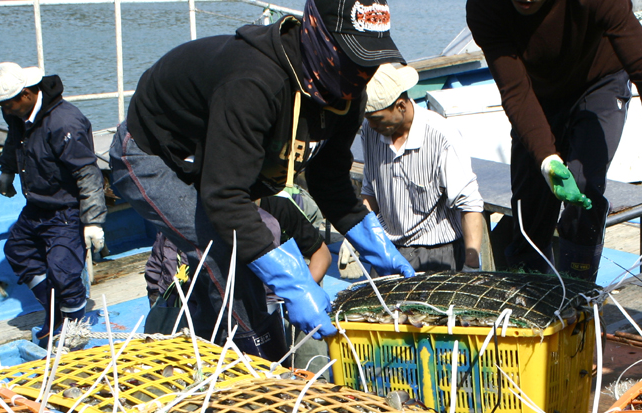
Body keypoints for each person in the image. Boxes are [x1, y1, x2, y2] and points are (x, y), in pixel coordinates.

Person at [109, 0, 415, 362]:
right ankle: (265, 361)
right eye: (354, 59)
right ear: (318, 38)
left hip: (218, 158)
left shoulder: (348, 92)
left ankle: (234, 340)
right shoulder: (254, 81)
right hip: (154, 153)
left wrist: (373, 241)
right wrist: (294, 283)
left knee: (254, 241)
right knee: (223, 248)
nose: (362, 73)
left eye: (370, 61)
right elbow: (224, 199)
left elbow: (328, 177)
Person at [466, 0, 642, 280]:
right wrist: (547, 159)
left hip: (599, 81)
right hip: (537, 94)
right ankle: (528, 286)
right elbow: (516, 92)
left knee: (584, 185)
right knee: (530, 203)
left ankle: (578, 284)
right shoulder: (484, 6)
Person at [0, 62, 106, 344]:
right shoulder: (18, 115)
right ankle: (55, 313)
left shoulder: (64, 122)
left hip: (66, 210)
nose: (4, 111)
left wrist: (93, 222)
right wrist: (7, 170)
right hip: (37, 206)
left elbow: (87, 173)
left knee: (64, 272)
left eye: (7, 105)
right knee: (18, 250)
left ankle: (74, 328)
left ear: (26, 94)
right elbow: (13, 141)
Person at [144, 192, 331, 336]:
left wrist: (300, 295)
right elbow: (156, 272)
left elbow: (320, 254)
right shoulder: (179, 217)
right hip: (193, 315)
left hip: (261, 310)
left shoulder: (275, 211)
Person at [361, 63, 486, 272]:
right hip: (388, 246)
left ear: (401, 105)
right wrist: (358, 232)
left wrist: (471, 263)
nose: (373, 126)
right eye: (368, 119)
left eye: (377, 119)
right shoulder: (370, 131)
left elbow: (470, 203)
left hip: (437, 251)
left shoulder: (442, 136)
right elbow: (369, 192)